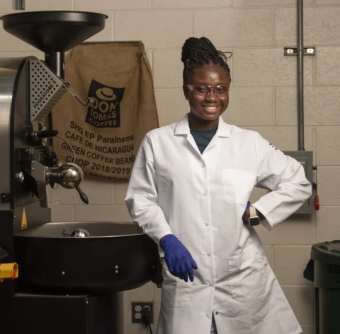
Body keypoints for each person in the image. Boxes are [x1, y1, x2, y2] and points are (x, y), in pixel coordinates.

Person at [124, 37, 312, 334]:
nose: (212, 97)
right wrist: (166, 239)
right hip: (188, 280)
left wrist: (259, 212)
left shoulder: (247, 143)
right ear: (187, 90)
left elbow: (299, 182)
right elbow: (141, 199)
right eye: (202, 88)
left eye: (220, 89)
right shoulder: (158, 142)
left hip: (242, 279)